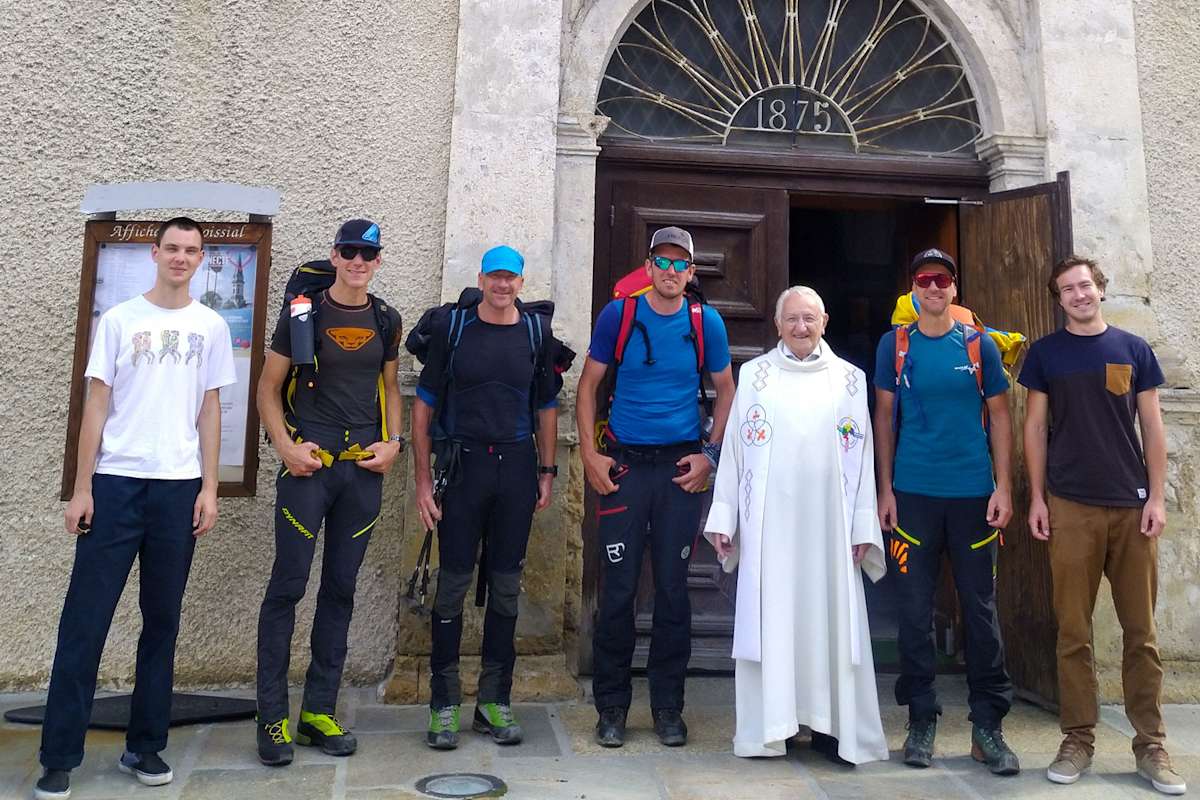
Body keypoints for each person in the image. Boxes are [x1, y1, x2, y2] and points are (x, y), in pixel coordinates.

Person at [36, 217, 235, 800]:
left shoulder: (211, 326)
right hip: (117, 484)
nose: (180, 257)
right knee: (84, 623)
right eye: (171, 248)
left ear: (202, 260)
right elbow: (96, 405)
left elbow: (210, 410)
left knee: (162, 623)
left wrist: (209, 488)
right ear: (154, 253)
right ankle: (59, 756)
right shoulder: (120, 320)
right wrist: (81, 488)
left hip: (177, 491)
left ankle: (145, 747)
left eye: (191, 250)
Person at [1021, 256, 1185, 795]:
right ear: (1058, 298)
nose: (1079, 294)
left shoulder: (1133, 349)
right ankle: (1078, 739)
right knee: (1073, 631)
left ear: (1100, 288)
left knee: (1142, 634)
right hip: (1070, 506)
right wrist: (1040, 498)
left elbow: (1154, 428)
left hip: (1132, 506)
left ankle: (1151, 746)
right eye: (1068, 289)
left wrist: (1157, 497)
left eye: (1086, 285)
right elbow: (1036, 426)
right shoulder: (1045, 354)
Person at [704, 286, 888, 764]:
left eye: (809, 318)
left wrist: (862, 528)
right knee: (775, 622)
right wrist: (726, 517)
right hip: (772, 533)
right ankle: (773, 727)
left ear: (825, 321)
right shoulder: (756, 376)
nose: (801, 327)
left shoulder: (849, 380)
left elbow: (862, 459)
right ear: (777, 323)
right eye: (792, 319)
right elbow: (736, 455)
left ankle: (833, 728)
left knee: (829, 623)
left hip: (830, 529)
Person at [576, 226, 734, 748]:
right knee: (618, 593)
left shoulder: (703, 320)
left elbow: (727, 390)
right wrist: (590, 457)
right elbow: (588, 386)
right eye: (661, 263)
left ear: (691, 272)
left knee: (672, 592)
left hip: (678, 473)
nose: (670, 273)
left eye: (679, 264)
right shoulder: (618, 314)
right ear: (649, 267)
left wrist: (709, 457)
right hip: (623, 469)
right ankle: (612, 708)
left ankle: (668, 707)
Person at [254, 219, 403, 766]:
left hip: (361, 472)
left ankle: (319, 710)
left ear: (378, 260)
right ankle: (272, 715)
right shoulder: (302, 316)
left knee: (340, 590)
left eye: (368, 253)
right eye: (349, 251)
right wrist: (285, 448)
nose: (358, 261)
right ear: (334, 256)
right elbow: (268, 389)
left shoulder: (387, 318)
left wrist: (394, 443)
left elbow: (389, 386)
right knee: (287, 588)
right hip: (308, 469)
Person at [411, 244, 569, 750]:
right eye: (495, 277)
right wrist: (420, 481)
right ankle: (443, 705)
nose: (502, 286)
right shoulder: (455, 329)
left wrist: (547, 471)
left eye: (511, 279)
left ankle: (494, 702)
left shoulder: (534, 332)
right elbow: (424, 405)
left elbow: (547, 405)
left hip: (518, 469)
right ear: (481, 278)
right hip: (462, 469)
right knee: (453, 585)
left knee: (505, 588)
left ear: (522, 283)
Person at [873, 248, 1019, 776]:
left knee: (980, 612)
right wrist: (883, 490)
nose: (933, 288)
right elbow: (883, 419)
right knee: (913, 614)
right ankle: (921, 719)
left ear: (954, 289)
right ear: (912, 289)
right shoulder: (896, 345)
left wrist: (1004, 486)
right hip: (912, 496)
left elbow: (1000, 419)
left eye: (942, 280)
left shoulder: (979, 346)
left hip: (973, 498)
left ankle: (988, 728)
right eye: (923, 280)